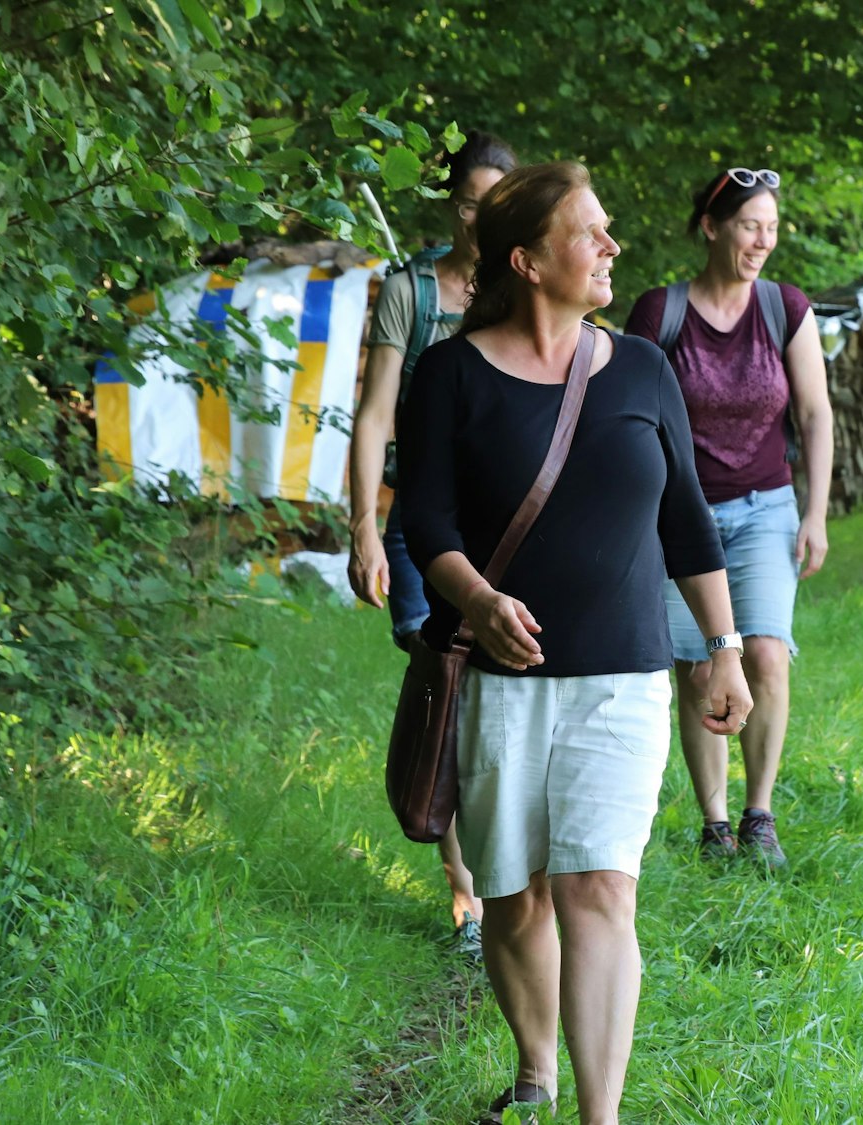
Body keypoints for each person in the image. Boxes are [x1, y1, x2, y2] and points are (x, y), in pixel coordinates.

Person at [397, 161, 754, 1125]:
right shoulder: (449, 375)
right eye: (589, 232)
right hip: (500, 681)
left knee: (600, 887)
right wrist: (476, 600)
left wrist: (723, 643)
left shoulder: (639, 366)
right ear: (527, 260)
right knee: (517, 898)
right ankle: (536, 1070)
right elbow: (425, 520)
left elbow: (686, 516)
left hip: (625, 676)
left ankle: (599, 1115)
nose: (612, 246)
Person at [623, 167, 833, 870]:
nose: (763, 240)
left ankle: (758, 813)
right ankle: (714, 821)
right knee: (697, 665)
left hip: (766, 509)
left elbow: (815, 412)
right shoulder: (660, 313)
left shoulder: (784, 308)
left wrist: (817, 512)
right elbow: (629, 420)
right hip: (680, 519)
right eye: (750, 225)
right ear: (711, 227)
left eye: (771, 227)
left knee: (765, 652)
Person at [347, 131, 518, 961]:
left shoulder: (528, 286)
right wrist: (364, 529)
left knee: (505, 694)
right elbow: (375, 412)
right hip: (422, 523)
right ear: (458, 210)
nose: (494, 220)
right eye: (483, 206)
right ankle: (470, 894)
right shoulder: (409, 291)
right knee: (445, 692)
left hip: (509, 523)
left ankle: (515, 872)